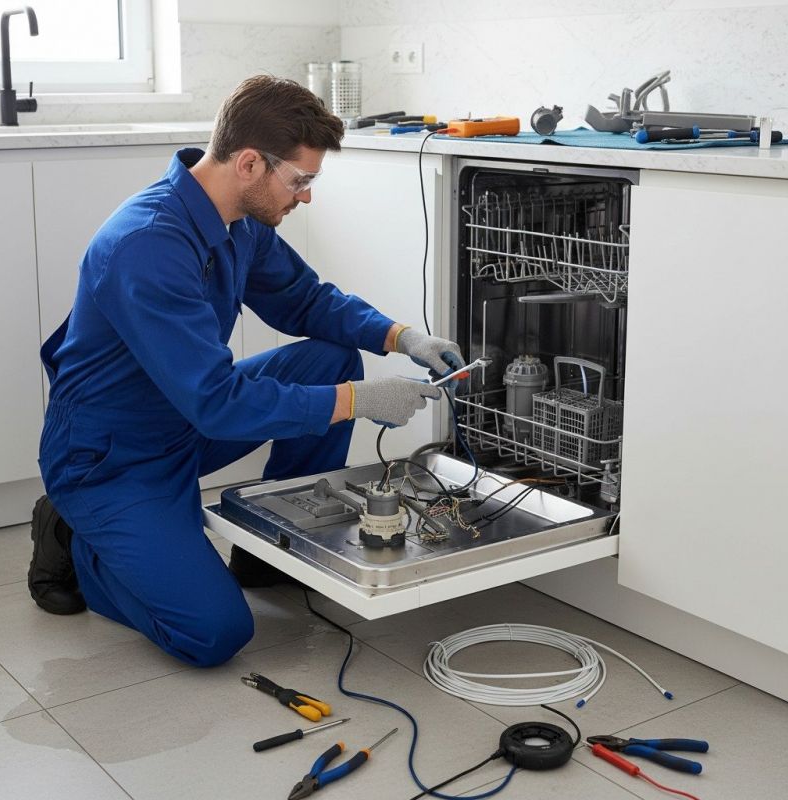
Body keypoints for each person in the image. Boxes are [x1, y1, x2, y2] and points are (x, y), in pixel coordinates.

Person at [27, 75, 463, 668]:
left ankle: (271, 553)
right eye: (301, 180)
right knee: (214, 634)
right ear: (252, 163)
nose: (306, 196)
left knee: (330, 357)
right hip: (113, 456)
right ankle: (78, 539)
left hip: (187, 422)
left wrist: (401, 336)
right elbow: (218, 401)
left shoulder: (239, 221)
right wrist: (358, 401)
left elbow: (305, 300)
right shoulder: (147, 245)